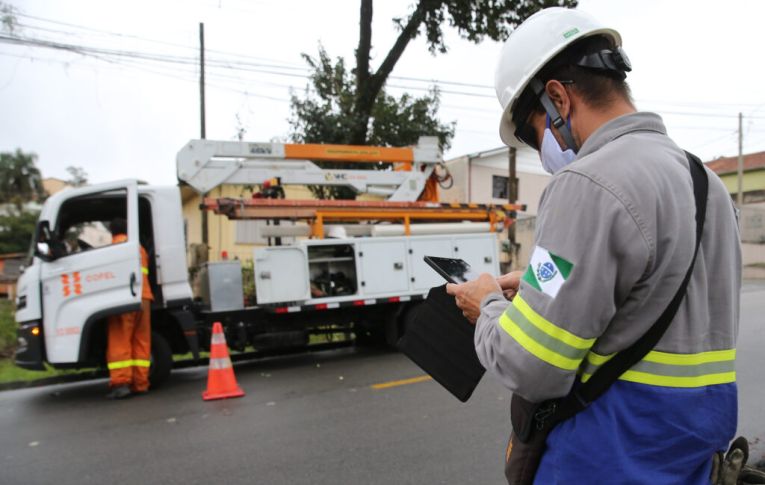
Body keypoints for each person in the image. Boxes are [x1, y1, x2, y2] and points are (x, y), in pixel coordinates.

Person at [446, 7, 740, 484]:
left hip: (608, 459)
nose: (539, 148)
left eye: (531, 132)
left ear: (558, 98)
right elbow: (648, 296)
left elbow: (532, 365)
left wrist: (489, 306)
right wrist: (538, 287)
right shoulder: (706, 183)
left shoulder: (587, 182)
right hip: (691, 460)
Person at [106, 217, 153, 399]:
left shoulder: (113, 248)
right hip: (145, 298)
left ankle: (121, 383)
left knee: (120, 340)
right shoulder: (138, 248)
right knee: (141, 340)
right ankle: (141, 383)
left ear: (112, 231)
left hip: (124, 299)